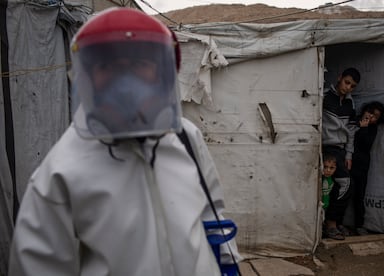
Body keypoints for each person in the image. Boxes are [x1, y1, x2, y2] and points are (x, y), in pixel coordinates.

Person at [8, 8, 241, 276]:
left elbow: (214, 216)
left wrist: (227, 263)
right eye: (109, 65)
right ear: (89, 76)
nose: (127, 80)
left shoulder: (186, 138)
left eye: (140, 64)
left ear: (162, 72)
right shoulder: (60, 173)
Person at [322, 67, 360, 240]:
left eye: (352, 86)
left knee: (340, 186)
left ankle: (334, 223)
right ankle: (330, 224)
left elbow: (351, 131)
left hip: (341, 150)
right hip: (326, 147)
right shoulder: (324, 97)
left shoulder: (350, 104)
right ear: (339, 78)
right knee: (346, 184)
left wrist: (349, 155)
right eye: (347, 82)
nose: (348, 88)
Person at [351, 101, 384, 235]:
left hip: (361, 165)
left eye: (375, 116)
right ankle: (336, 224)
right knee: (343, 193)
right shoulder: (353, 120)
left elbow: (365, 144)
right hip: (347, 162)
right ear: (365, 110)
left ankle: (359, 225)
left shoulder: (372, 129)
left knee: (359, 195)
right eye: (370, 112)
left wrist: (364, 127)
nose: (371, 116)